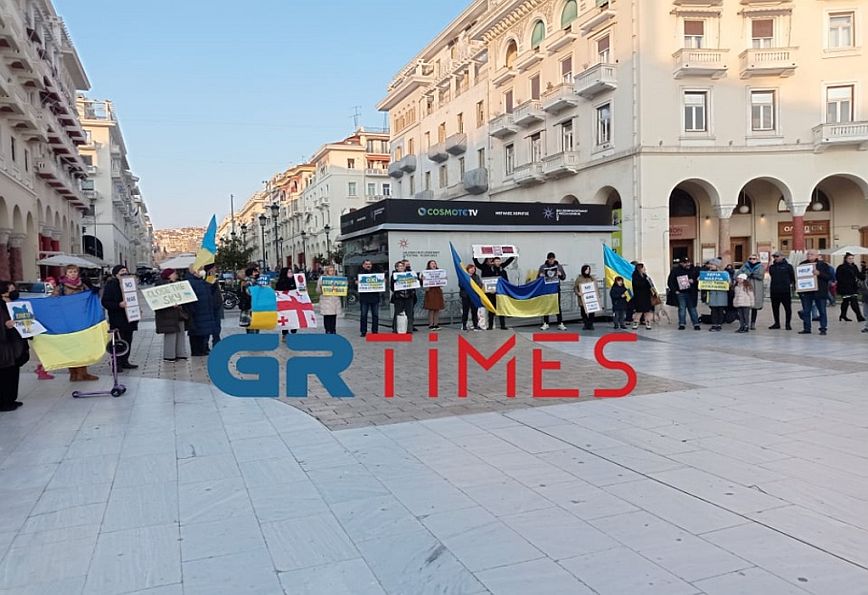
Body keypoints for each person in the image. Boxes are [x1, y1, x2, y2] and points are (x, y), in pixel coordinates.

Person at [53, 264, 98, 381]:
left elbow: (90, 301)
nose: (73, 274)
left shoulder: (83, 286)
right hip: (68, 322)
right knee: (71, 347)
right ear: (66, 274)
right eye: (70, 272)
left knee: (83, 346)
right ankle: (73, 373)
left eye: (74, 272)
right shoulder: (60, 288)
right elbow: (53, 303)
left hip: (82, 320)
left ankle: (83, 372)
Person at [101, 265, 138, 369]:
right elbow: (105, 302)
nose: (124, 272)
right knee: (118, 342)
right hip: (117, 318)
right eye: (122, 271)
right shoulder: (111, 285)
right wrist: (118, 305)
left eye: (126, 270)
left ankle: (125, 361)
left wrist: (137, 309)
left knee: (128, 340)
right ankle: (116, 363)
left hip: (130, 318)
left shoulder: (130, 283)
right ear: (116, 274)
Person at [0, 281, 28, 411]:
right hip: (4, 347)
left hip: (15, 344)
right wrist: (5, 325)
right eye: (10, 289)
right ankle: (4, 402)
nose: (13, 291)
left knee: (13, 372)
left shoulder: (14, 304)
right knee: (4, 374)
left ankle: (11, 399)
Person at [154, 268, 189, 362]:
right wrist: (170, 304)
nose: (176, 275)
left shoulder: (176, 284)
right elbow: (158, 301)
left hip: (178, 313)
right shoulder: (161, 285)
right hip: (168, 314)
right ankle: (169, 355)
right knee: (171, 334)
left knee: (180, 333)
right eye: (174, 274)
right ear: (169, 275)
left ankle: (180, 354)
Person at [797, 249, 833, 335]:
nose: (809, 256)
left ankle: (823, 328)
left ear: (817, 256)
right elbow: (799, 277)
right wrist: (800, 289)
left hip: (820, 292)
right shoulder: (803, 264)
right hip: (807, 291)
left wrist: (819, 273)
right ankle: (807, 328)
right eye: (808, 254)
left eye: (812, 254)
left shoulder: (823, 265)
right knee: (806, 311)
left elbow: (829, 277)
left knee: (822, 311)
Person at [186, 267, 221, 356]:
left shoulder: (201, 281)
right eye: (199, 269)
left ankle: (202, 349)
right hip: (198, 310)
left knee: (203, 331)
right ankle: (198, 351)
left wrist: (213, 285)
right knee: (197, 332)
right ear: (194, 271)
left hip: (205, 309)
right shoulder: (191, 282)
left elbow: (209, 291)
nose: (202, 271)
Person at [473, 256, 511, 330]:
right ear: (493, 262)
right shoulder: (489, 269)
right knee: (491, 309)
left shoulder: (503, 271)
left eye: (499, 261)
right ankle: (490, 326)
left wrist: (513, 255)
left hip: (500, 293)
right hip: (491, 293)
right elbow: (487, 280)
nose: (497, 262)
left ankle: (503, 325)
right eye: (496, 261)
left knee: (501, 309)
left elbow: (506, 281)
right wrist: (475, 256)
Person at [667, 258, 700, 330]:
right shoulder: (675, 270)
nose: (687, 264)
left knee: (692, 308)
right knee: (682, 308)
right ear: (681, 263)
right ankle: (682, 324)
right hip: (681, 293)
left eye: (688, 262)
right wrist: (675, 290)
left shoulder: (694, 270)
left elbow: (699, 280)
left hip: (692, 293)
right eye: (685, 263)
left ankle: (696, 324)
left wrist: (694, 281)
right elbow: (670, 281)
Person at [767, 251, 796, 330]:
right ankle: (777, 323)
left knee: (787, 308)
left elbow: (792, 277)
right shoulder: (772, 267)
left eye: (777, 256)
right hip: (774, 290)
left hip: (785, 290)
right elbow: (771, 274)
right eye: (774, 257)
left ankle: (788, 324)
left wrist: (793, 286)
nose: (775, 258)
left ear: (782, 256)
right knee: (775, 308)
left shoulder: (788, 266)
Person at [538, 252, 567, 330]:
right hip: (546, 290)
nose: (551, 261)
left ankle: (560, 323)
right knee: (546, 306)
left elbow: (564, 277)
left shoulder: (559, 266)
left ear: (554, 259)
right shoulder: (543, 267)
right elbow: (538, 279)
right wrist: (540, 276)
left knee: (557, 305)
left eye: (552, 259)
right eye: (550, 259)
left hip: (556, 289)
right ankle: (546, 323)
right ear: (547, 259)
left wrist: (560, 274)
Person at [738, 254, 765, 330]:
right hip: (746, 287)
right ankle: (744, 323)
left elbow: (761, 276)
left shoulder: (760, 266)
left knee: (754, 306)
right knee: (744, 306)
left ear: (757, 259)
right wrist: (746, 274)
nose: (752, 260)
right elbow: (739, 274)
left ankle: (753, 323)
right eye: (750, 258)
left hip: (756, 288)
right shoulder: (745, 266)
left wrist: (751, 274)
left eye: (754, 258)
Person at [835, 252, 865, 322]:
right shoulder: (841, 267)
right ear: (845, 259)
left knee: (846, 301)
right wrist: (845, 282)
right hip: (844, 288)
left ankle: (843, 315)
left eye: (852, 258)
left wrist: (863, 273)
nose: (851, 260)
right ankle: (859, 316)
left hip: (852, 287)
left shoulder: (854, 266)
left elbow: (858, 275)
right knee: (853, 301)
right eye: (849, 258)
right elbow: (838, 277)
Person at [704, 259, 729, 332]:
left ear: (717, 265)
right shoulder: (707, 273)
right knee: (713, 310)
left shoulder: (724, 273)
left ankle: (719, 324)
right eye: (710, 264)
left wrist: (727, 282)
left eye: (712, 264)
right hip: (712, 294)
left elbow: (729, 282)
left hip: (721, 294)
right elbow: (702, 280)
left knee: (720, 310)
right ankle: (714, 324)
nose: (710, 266)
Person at [357, 259, 380, 337]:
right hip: (364, 298)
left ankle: (375, 331)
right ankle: (363, 331)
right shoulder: (360, 274)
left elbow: (381, 283)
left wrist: (383, 281)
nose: (368, 265)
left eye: (369, 264)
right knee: (363, 315)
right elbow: (354, 284)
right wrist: (356, 283)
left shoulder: (376, 273)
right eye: (366, 264)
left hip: (375, 297)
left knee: (375, 315)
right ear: (363, 265)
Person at [390, 261, 414, 333]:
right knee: (397, 313)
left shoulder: (409, 275)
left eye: (402, 266)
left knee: (409, 313)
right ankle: (396, 329)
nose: (401, 268)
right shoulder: (394, 276)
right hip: (398, 297)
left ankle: (409, 329)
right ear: (396, 268)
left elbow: (414, 284)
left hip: (409, 296)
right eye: (399, 266)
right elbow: (392, 287)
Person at [316, 264, 342, 334]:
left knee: (333, 316)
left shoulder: (337, 279)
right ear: (327, 271)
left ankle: (333, 330)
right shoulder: (322, 279)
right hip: (326, 300)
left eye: (333, 270)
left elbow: (341, 289)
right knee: (327, 316)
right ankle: (327, 330)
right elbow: (318, 290)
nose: (332, 272)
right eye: (330, 270)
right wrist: (321, 288)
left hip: (335, 300)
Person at [630, 262, 655, 330]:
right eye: (643, 268)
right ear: (640, 269)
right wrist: (645, 281)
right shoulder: (635, 276)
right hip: (639, 296)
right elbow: (638, 285)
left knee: (647, 311)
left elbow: (650, 285)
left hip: (646, 296)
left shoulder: (645, 276)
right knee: (639, 311)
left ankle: (648, 323)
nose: (645, 269)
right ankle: (636, 323)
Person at [422, 259, 445, 331]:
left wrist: (444, 279)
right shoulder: (426, 273)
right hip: (430, 291)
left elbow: (442, 282)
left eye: (434, 263)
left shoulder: (440, 272)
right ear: (429, 265)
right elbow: (423, 283)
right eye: (432, 263)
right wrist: (423, 279)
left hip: (437, 291)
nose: (434, 265)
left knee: (437, 308)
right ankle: (431, 324)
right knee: (431, 308)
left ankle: (436, 324)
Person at [275, 267, 298, 336]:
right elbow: (278, 291)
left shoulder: (295, 281)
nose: (291, 273)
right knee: (285, 317)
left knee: (294, 317)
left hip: (293, 303)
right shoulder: (280, 283)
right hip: (285, 304)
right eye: (289, 272)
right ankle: (285, 333)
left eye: (291, 272)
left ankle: (294, 331)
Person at [460, 263, 483, 331]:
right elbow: (461, 285)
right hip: (466, 296)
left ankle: (475, 325)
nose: (472, 270)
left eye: (474, 268)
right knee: (465, 311)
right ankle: (464, 325)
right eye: (471, 268)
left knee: (474, 311)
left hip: (474, 296)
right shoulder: (463, 276)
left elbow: (480, 285)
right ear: (468, 269)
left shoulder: (476, 276)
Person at [574, 265, 597, 331]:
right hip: (582, 298)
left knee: (591, 311)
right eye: (586, 270)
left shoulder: (592, 278)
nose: (587, 271)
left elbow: (595, 286)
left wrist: (596, 295)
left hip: (591, 298)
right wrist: (578, 293)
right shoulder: (579, 279)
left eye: (588, 270)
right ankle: (586, 323)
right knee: (583, 312)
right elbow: (575, 287)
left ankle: (590, 324)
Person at [239, 265, 260, 334]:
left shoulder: (253, 281)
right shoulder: (249, 281)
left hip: (253, 305)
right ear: (251, 273)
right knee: (251, 323)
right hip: (250, 305)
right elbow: (249, 292)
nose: (257, 273)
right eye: (255, 272)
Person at [402, 260, 419, 332]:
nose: (408, 266)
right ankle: (401, 326)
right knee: (401, 312)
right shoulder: (398, 273)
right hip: (401, 296)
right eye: (407, 265)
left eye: (409, 264)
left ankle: (411, 325)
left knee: (411, 312)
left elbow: (416, 282)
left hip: (411, 295)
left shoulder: (412, 273)